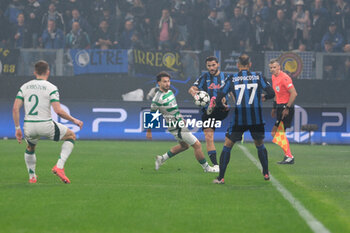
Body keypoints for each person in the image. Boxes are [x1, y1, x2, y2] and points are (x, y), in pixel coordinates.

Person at [12, 60, 83, 184]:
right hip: (45, 124)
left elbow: (15, 108)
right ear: (48, 72)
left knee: (30, 147)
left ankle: (32, 176)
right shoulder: (51, 87)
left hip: (29, 126)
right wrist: (74, 120)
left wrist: (17, 128)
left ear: (35, 72)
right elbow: (58, 111)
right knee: (71, 136)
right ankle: (59, 166)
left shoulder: (25, 86)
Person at [213, 54, 275, 184]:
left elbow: (219, 97)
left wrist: (222, 106)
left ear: (237, 65)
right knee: (259, 145)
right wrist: (263, 97)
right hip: (256, 119)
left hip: (239, 119)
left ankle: (221, 177)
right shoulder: (258, 77)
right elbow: (271, 93)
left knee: (227, 146)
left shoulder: (232, 79)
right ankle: (266, 173)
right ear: (250, 65)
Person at [146, 71, 217, 173]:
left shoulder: (170, 92)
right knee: (197, 145)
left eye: (168, 81)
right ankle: (207, 168)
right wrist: (149, 131)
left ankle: (161, 158)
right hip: (177, 127)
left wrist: (181, 117)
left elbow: (174, 109)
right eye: (164, 82)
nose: (167, 84)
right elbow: (151, 115)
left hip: (178, 124)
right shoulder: (157, 99)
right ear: (159, 83)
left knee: (184, 146)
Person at [188, 56, 230, 171]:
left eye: (213, 65)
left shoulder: (226, 77)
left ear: (218, 64)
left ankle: (218, 103)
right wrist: (195, 94)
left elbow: (233, 92)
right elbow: (191, 88)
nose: (211, 68)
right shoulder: (204, 77)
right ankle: (216, 165)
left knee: (221, 101)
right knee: (208, 136)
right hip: (208, 112)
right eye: (209, 66)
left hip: (222, 110)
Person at [269, 59, 298, 164]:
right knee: (275, 133)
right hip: (280, 108)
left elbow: (294, 93)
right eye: (271, 68)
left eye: (274, 67)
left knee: (277, 133)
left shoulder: (285, 78)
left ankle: (289, 156)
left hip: (286, 108)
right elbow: (277, 94)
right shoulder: (273, 77)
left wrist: (287, 108)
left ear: (279, 67)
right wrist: (274, 108)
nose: (272, 70)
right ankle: (288, 156)